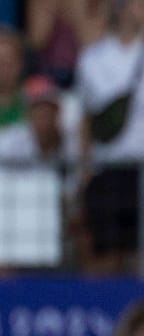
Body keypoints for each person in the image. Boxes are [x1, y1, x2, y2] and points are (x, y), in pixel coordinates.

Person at [75, 0, 144, 274]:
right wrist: (83, 171)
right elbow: (86, 120)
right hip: (110, 168)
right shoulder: (92, 58)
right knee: (106, 255)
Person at [0, 75, 81, 164]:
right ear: (27, 113)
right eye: (37, 109)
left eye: (48, 108)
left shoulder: (74, 139)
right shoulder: (8, 141)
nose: (43, 114)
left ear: (57, 111)